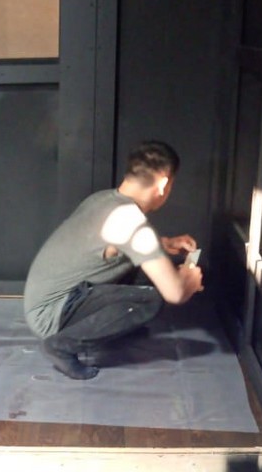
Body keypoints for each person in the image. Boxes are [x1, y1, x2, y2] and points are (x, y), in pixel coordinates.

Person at [23, 141, 204, 380]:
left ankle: (116, 327)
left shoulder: (103, 199)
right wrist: (189, 278)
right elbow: (175, 293)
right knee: (152, 298)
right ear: (163, 184)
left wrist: (165, 243)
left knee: (143, 267)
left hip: (45, 302)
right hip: (52, 316)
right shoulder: (130, 220)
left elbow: (113, 244)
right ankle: (62, 346)